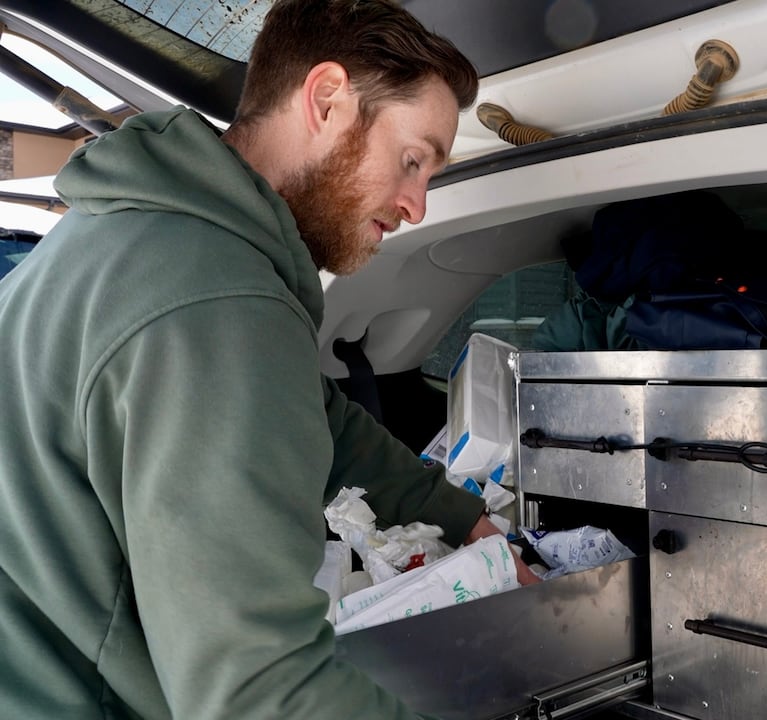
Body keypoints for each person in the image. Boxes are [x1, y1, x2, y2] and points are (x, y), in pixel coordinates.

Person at [0, 1, 537, 718]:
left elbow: (320, 417)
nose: (417, 206)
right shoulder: (215, 306)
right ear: (325, 100)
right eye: (412, 161)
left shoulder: (136, 235)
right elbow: (261, 692)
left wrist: (462, 518)